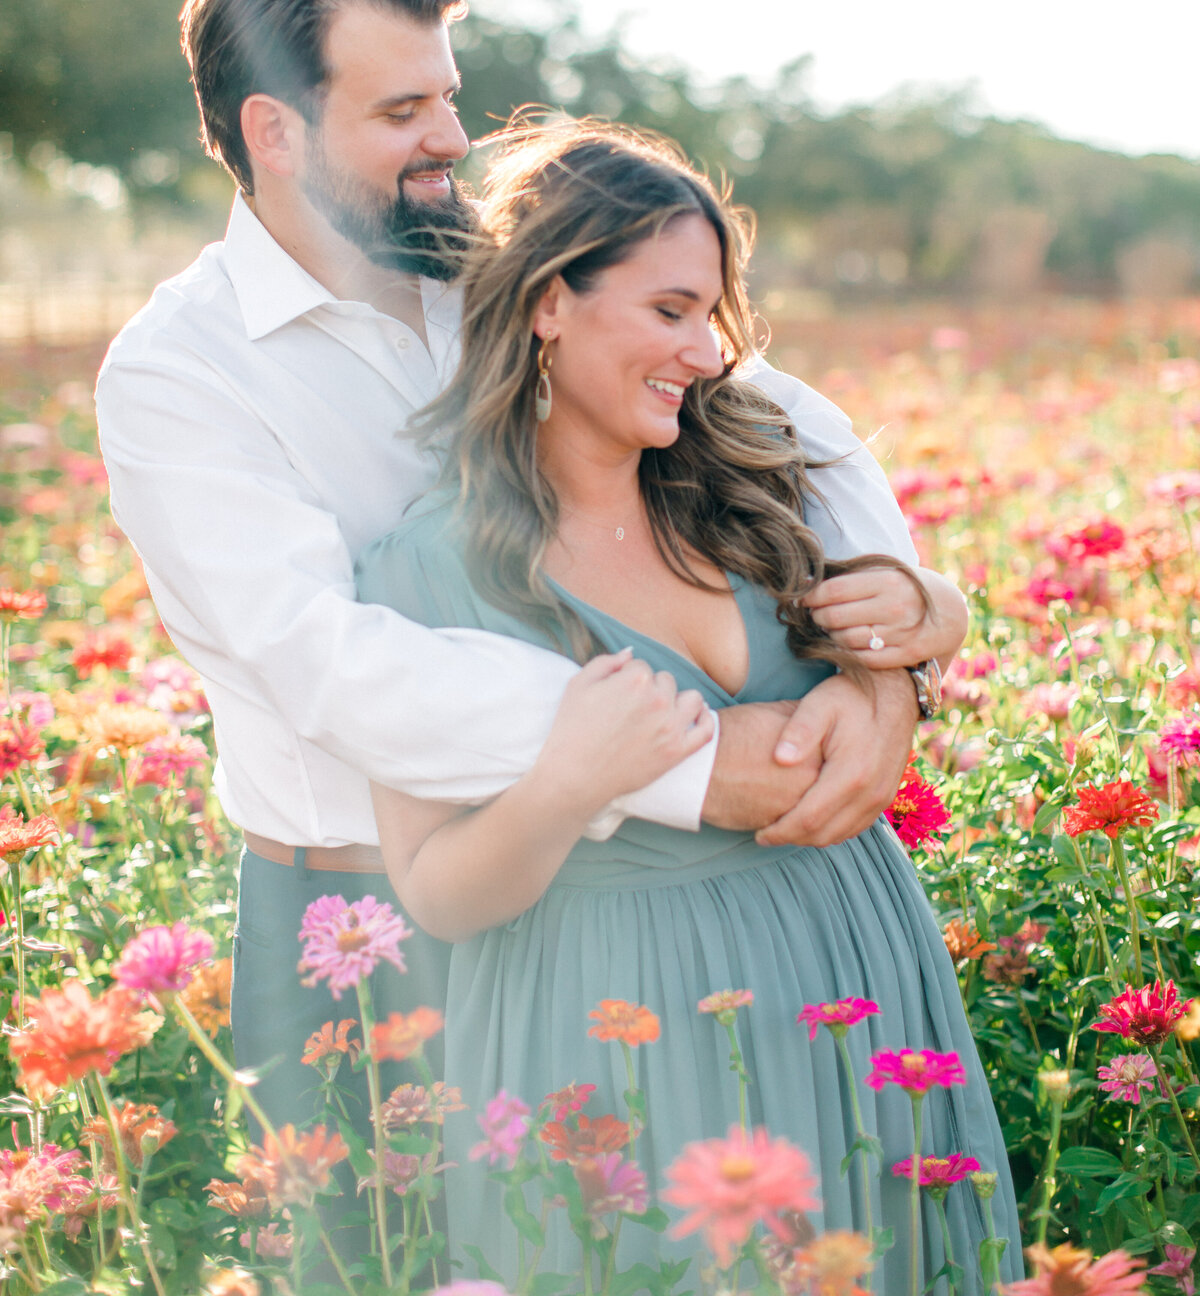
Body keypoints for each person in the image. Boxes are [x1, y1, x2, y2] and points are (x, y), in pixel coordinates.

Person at [95, 0, 968, 1134]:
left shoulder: (504, 261)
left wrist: (900, 642)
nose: (451, 138)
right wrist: (690, 761)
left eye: (448, 96)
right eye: (401, 114)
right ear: (273, 131)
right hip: (361, 928)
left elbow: (780, 414)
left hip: (597, 920)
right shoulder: (181, 375)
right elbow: (334, 667)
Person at [359, 123, 1021, 1291]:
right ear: (551, 301)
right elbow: (437, 892)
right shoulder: (431, 566)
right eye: (671, 311)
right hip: (619, 1020)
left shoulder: (757, 472)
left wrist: (928, 612)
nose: (709, 352)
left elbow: (907, 619)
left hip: (857, 965)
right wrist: (572, 783)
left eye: (715, 314)